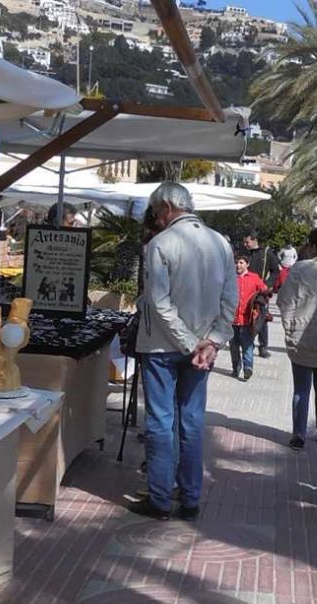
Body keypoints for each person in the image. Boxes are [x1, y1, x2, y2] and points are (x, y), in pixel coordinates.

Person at [131, 182, 238, 521]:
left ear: (165, 208)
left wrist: (194, 343)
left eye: (156, 212)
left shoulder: (160, 244)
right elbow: (230, 298)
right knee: (191, 421)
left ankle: (161, 499)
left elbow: (158, 302)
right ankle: (190, 497)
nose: (156, 219)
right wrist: (212, 341)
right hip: (200, 347)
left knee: (162, 421)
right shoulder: (221, 243)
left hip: (164, 346)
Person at [276, 228, 317, 450]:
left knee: (300, 389)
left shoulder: (298, 270)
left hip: (301, 338)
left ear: (312, 246)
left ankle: (299, 435)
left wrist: (290, 326)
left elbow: (284, 301)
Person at [242, 230, 280, 358]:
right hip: (245, 289)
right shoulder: (244, 254)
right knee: (245, 317)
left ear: (254, 240)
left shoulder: (267, 253)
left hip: (260, 291)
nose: (245, 244)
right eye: (244, 242)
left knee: (262, 318)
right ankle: (247, 343)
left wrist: (267, 285)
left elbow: (275, 271)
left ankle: (263, 347)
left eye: (247, 242)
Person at [230, 255, 268, 381]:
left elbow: (264, 290)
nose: (238, 265)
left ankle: (248, 368)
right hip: (232, 319)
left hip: (247, 320)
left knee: (247, 345)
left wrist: (259, 303)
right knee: (234, 346)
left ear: (247, 264)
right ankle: (236, 368)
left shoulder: (254, 278)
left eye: (241, 263)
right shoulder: (230, 277)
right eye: (236, 263)